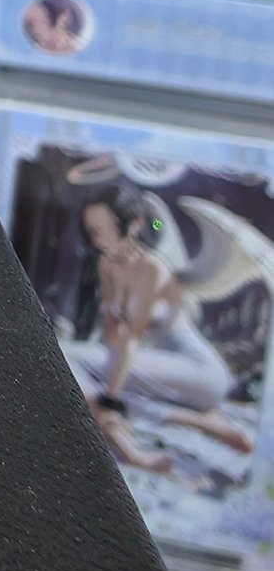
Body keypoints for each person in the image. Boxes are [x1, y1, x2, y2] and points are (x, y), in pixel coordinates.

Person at [67, 181, 254, 474]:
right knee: (87, 380)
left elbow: (131, 339)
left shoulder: (152, 268)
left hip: (201, 371)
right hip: (171, 370)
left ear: (133, 225)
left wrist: (110, 400)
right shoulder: (107, 265)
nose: (100, 238)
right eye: (93, 231)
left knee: (72, 362)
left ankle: (124, 442)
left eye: (109, 227)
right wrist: (107, 378)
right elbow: (113, 333)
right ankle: (194, 420)